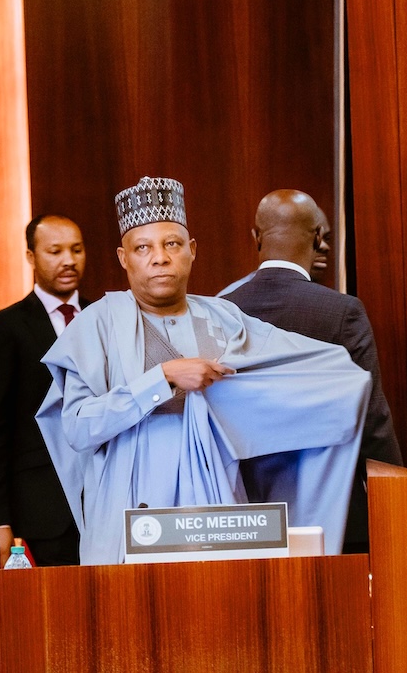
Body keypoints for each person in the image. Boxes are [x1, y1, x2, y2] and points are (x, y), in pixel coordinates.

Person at [36, 177, 372, 565]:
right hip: (133, 519)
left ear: (192, 251)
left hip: (217, 516)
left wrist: (346, 384)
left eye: (172, 244)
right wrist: (161, 378)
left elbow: (304, 370)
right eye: (143, 247)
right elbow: (78, 427)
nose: (159, 258)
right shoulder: (95, 325)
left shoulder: (226, 318)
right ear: (123, 258)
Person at [223, 189, 403, 553]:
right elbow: (370, 417)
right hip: (334, 511)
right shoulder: (341, 312)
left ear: (255, 237)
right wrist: (398, 493)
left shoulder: (221, 310)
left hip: (245, 511)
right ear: (319, 238)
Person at [0, 214, 89, 567]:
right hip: (44, 507)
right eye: (55, 251)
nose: (68, 260)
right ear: (31, 257)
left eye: (77, 249)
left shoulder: (106, 315)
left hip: (106, 499)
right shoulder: (5, 327)